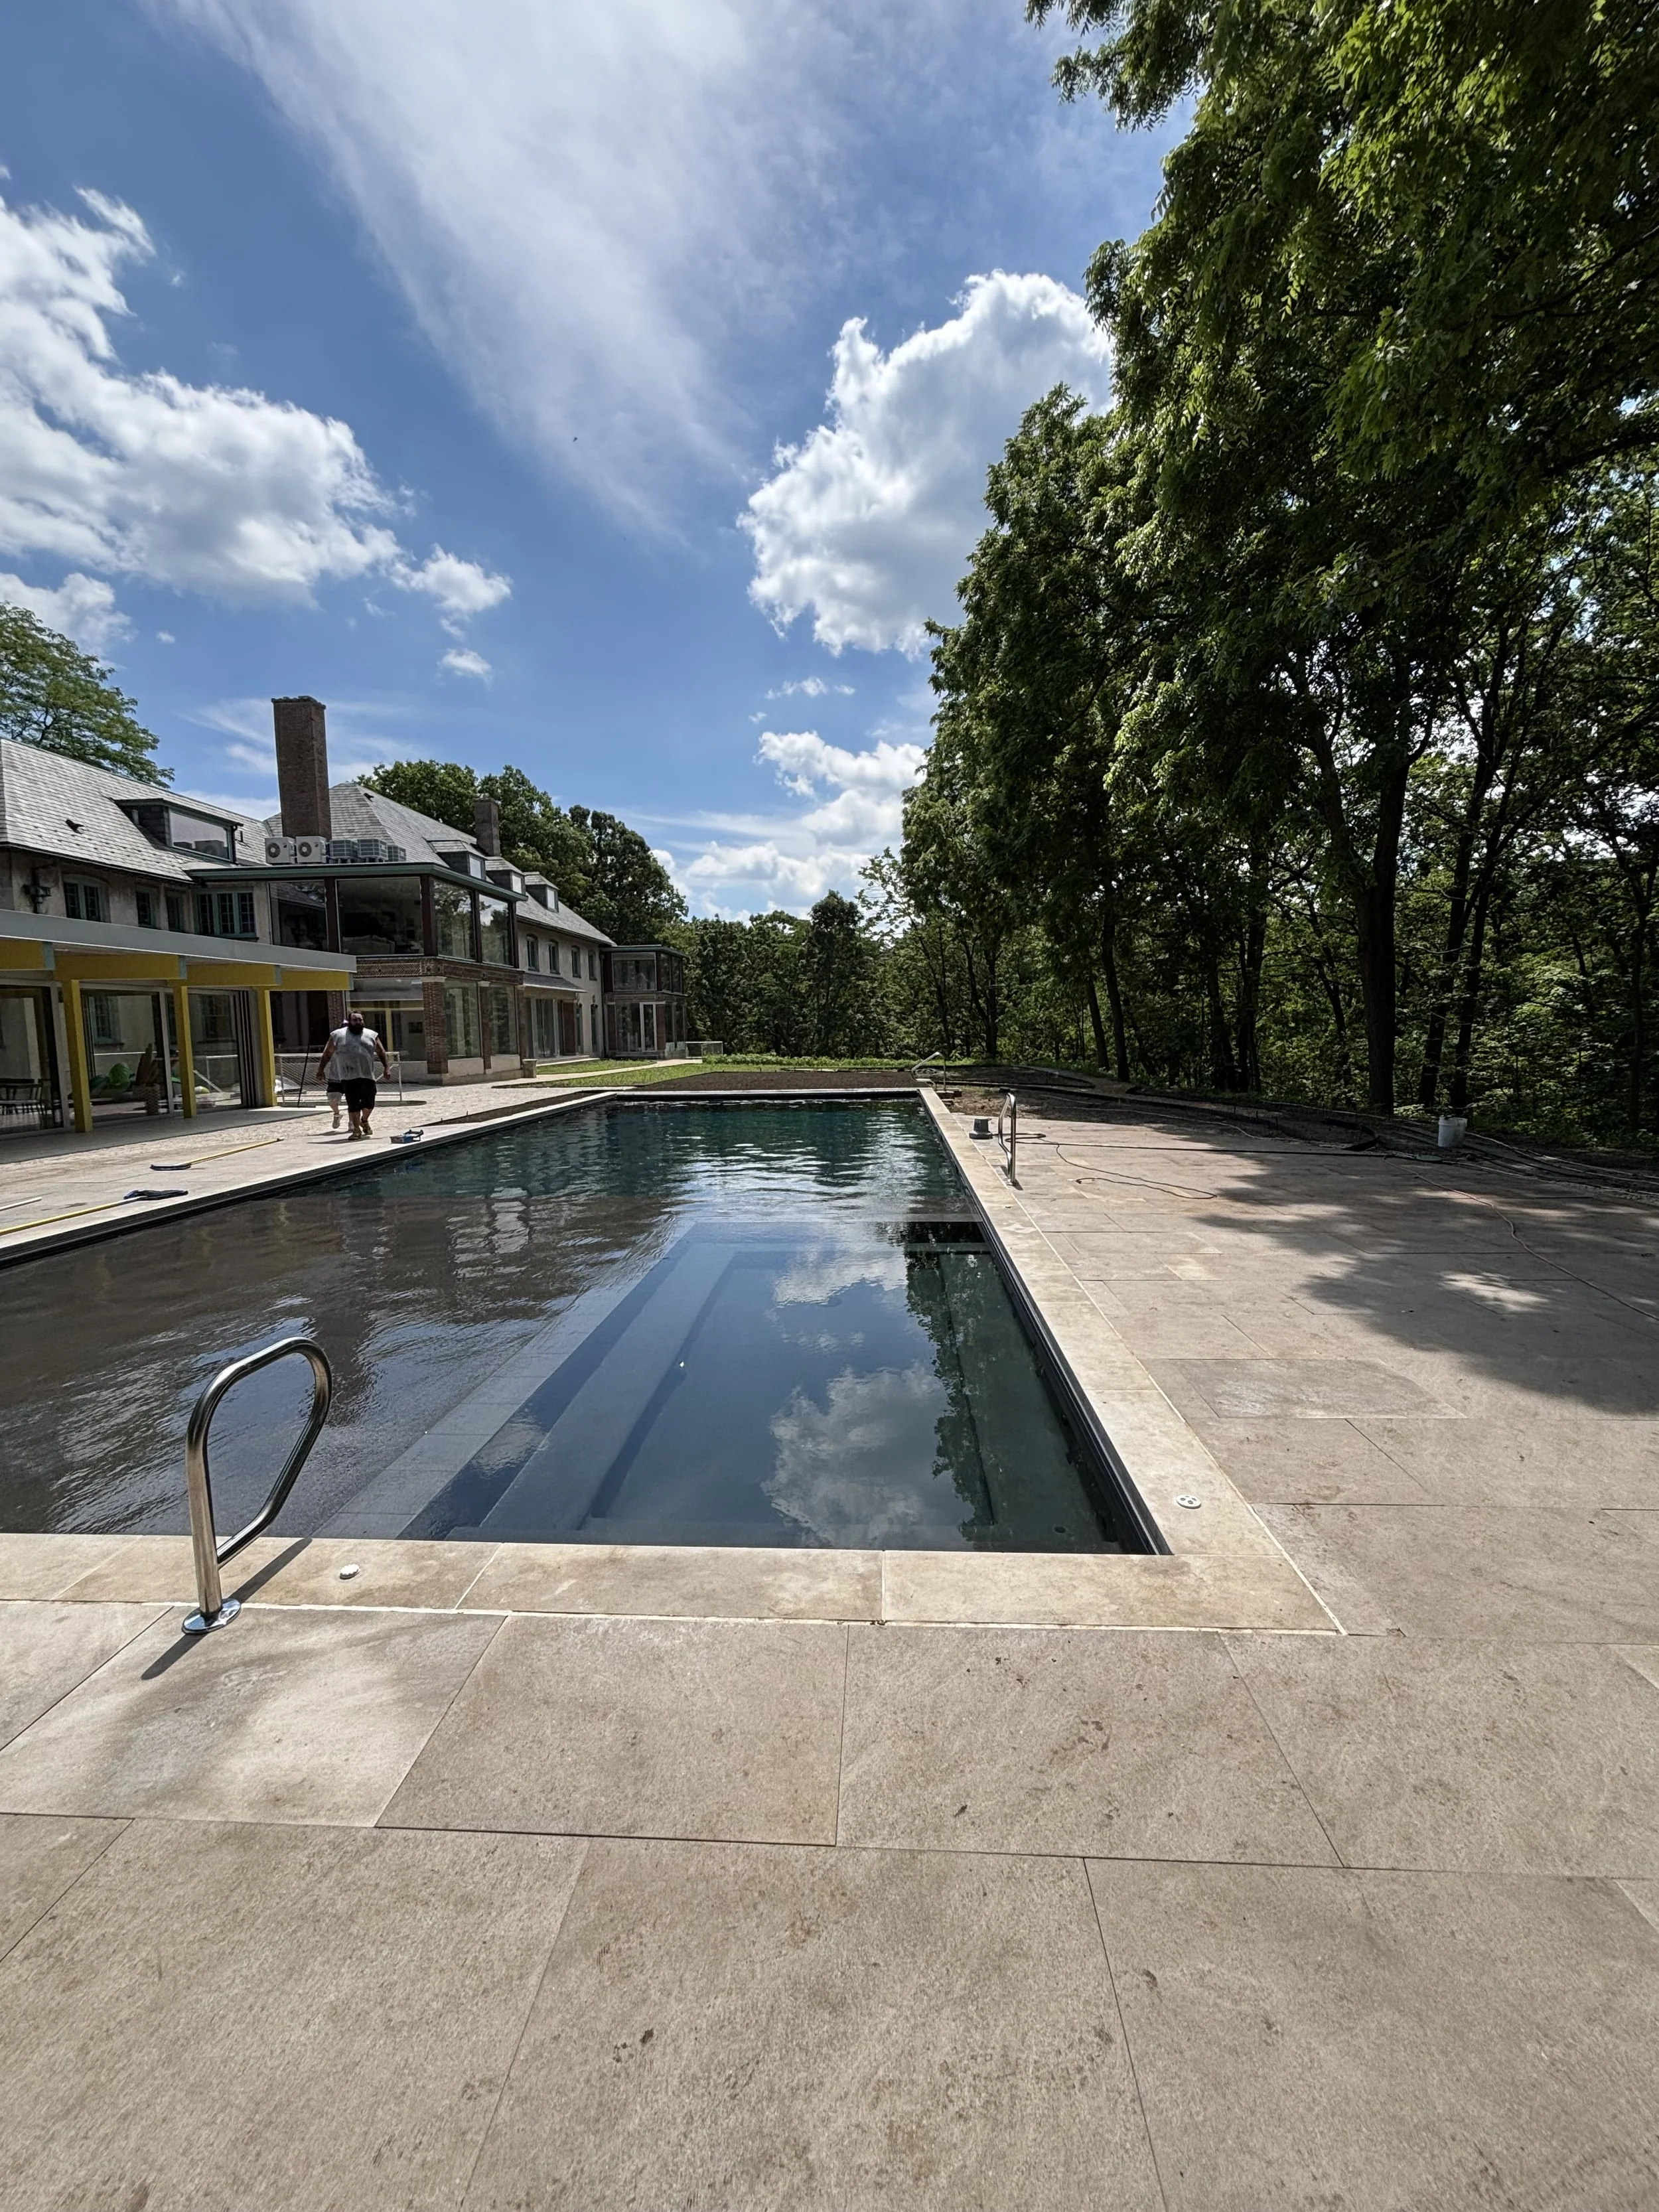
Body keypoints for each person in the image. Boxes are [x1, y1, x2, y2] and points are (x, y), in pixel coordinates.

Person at [316, 1011, 390, 1140]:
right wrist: (321, 1070)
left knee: (369, 1104)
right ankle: (356, 1130)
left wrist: (386, 1068)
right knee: (353, 1104)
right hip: (348, 1076)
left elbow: (381, 1051)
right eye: (355, 1020)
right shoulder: (337, 1035)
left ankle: (364, 1120)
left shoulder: (371, 1035)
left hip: (367, 1075)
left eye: (360, 1020)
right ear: (350, 1022)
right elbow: (327, 1053)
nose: (358, 1023)